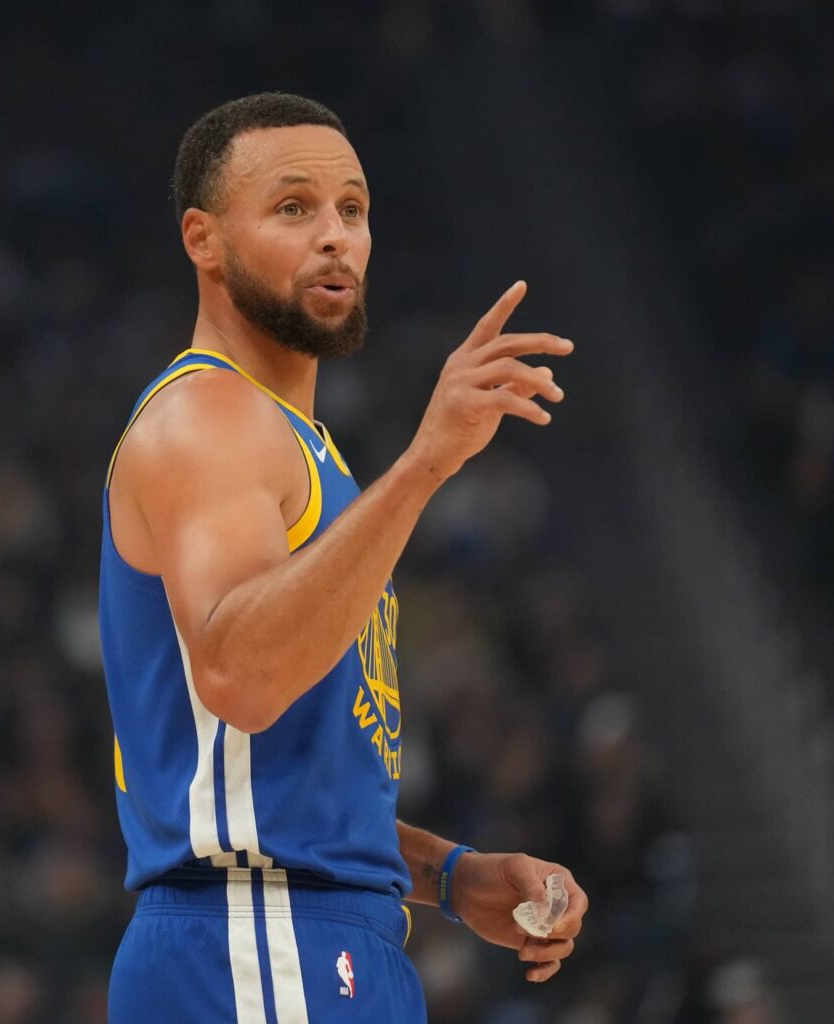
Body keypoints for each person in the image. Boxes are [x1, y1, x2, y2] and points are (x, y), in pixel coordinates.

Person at [100, 92, 587, 1022]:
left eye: (352, 210)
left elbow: (277, 777)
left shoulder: (295, 445)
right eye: (294, 209)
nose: (336, 238)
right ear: (203, 240)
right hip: (254, 942)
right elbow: (241, 674)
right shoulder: (211, 418)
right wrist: (428, 463)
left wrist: (450, 875)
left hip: (309, 939)